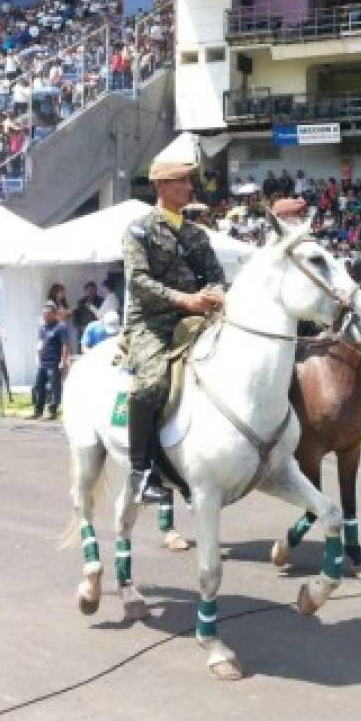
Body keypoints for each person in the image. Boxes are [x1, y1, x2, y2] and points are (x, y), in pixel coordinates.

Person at [122, 156, 226, 504]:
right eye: (181, 181)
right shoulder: (139, 230)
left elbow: (214, 274)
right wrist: (186, 300)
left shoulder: (196, 234)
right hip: (152, 321)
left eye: (188, 181)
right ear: (162, 186)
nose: (189, 187)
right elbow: (138, 282)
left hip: (196, 317)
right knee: (151, 384)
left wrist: (214, 293)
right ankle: (140, 472)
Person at [28, 302, 70, 420]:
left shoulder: (61, 327)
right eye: (43, 315)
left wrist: (63, 360)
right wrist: (38, 356)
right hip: (43, 362)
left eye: (47, 315)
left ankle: (52, 411)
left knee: (53, 387)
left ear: (53, 314)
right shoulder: (43, 328)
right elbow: (40, 344)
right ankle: (38, 410)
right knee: (39, 386)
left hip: (54, 361)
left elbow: (65, 344)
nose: (44, 317)